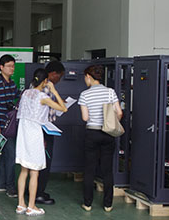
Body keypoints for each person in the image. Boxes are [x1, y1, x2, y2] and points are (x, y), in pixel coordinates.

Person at [16, 68, 67, 216]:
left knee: (24, 170)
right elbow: (63, 108)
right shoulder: (43, 96)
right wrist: (54, 90)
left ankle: (21, 204)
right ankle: (32, 206)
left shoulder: (26, 93)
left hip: (23, 135)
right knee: (35, 172)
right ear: (45, 81)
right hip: (34, 135)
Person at [78, 65, 123, 212]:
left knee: (89, 169)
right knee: (107, 170)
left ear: (89, 77)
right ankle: (108, 204)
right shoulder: (110, 92)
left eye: (85, 77)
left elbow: (85, 118)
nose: (85, 80)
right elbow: (119, 113)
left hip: (92, 133)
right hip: (108, 133)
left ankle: (88, 203)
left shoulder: (85, 94)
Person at [0, 54, 20, 198]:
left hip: (10, 124)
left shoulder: (12, 84)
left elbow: (17, 96)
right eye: (9, 66)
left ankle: (0, 184)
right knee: (11, 155)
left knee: (6, 155)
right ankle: (10, 187)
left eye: (13, 66)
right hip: (1, 125)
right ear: (1, 67)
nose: (12, 68)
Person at [35, 60, 65, 205]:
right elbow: (62, 108)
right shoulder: (47, 88)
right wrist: (56, 95)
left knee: (38, 163)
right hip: (44, 130)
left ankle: (36, 190)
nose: (59, 80)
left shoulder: (38, 86)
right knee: (44, 162)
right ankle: (39, 194)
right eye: (59, 77)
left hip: (39, 129)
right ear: (53, 74)